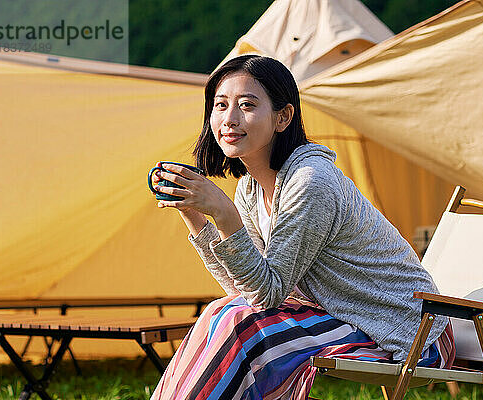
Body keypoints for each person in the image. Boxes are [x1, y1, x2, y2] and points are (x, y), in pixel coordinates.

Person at [150, 55, 454, 400]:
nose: (229, 119)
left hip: (403, 329)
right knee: (227, 311)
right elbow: (244, 289)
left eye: (247, 105)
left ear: (283, 117)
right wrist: (195, 215)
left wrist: (224, 215)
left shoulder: (311, 181)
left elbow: (265, 295)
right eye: (220, 105)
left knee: (244, 325)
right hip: (337, 315)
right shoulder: (251, 187)